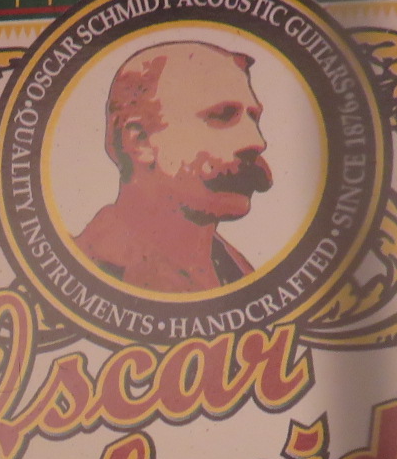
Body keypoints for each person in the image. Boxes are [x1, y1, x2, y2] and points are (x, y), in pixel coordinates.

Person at [75, 41, 273, 293]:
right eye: (222, 115)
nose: (256, 142)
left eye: (253, 118)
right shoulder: (92, 269)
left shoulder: (239, 273)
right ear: (139, 141)